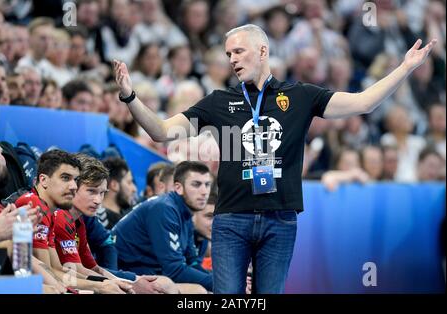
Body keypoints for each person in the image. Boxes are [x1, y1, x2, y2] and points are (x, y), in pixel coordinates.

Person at [113, 24, 437, 293]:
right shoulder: (218, 102)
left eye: (238, 51)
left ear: (263, 51)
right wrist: (130, 96)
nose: (232, 59)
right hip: (231, 221)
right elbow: (161, 131)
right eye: (228, 54)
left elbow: (363, 103)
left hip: (280, 221)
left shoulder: (300, 96)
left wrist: (405, 67)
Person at [54, 153, 179, 294]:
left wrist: (124, 283)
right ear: (73, 187)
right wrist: (107, 285)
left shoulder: (79, 222)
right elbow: (60, 272)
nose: (98, 200)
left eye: (101, 193)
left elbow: (91, 267)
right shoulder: (60, 217)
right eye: (91, 191)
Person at [15, 149, 130, 293]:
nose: (73, 186)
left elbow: (56, 270)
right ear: (43, 180)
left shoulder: (54, 214)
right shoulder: (35, 205)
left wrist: (111, 283)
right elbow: (39, 272)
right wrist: (100, 286)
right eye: (65, 178)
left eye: (74, 180)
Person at [113, 161, 213, 292]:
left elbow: (192, 262)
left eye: (207, 185)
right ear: (178, 188)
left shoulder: (185, 212)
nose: (204, 192)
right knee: (198, 291)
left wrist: (221, 279)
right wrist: (222, 283)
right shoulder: (164, 208)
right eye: (196, 184)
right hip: (123, 273)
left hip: (146, 272)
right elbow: (175, 270)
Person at [96, 157, 137, 229]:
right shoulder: (98, 221)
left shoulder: (128, 217)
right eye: (129, 182)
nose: (134, 189)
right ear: (114, 185)